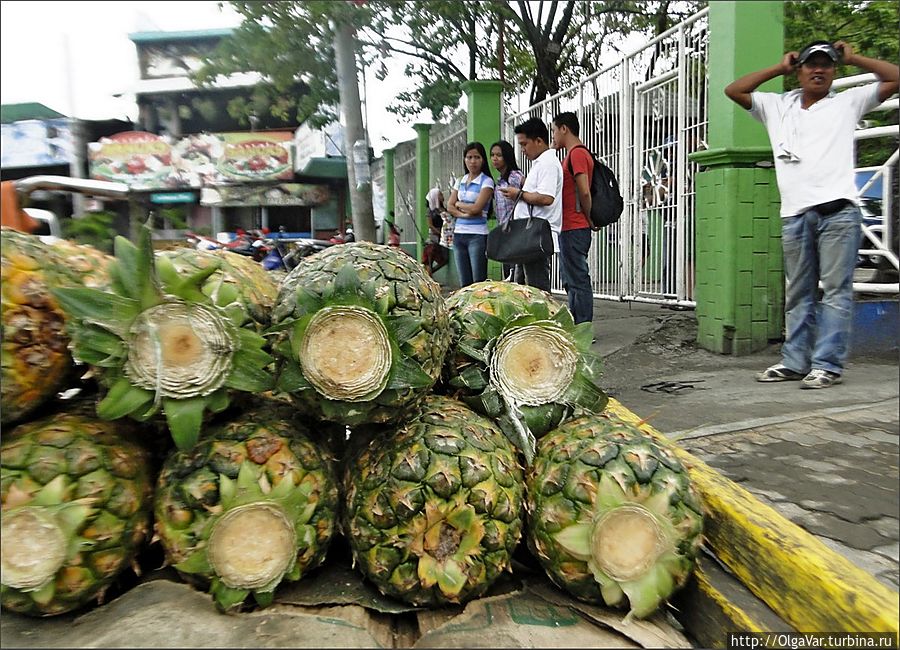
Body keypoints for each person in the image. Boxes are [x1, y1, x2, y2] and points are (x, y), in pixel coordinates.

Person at [725, 40, 898, 389]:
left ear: (835, 71)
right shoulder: (777, 106)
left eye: (827, 65)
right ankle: (794, 361)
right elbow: (734, 90)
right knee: (799, 292)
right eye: (810, 64)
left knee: (835, 291)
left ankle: (827, 365)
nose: (818, 70)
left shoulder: (848, 102)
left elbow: (895, 78)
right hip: (796, 214)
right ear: (799, 68)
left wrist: (854, 58)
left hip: (839, 214)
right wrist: (778, 68)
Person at [497, 117, 562, 292]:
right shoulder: (540, 163)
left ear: (539, 141)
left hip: (536, 235)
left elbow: (546, 197)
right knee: (523, 288)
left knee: (537, 289)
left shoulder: (547, 164)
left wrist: (518, 194)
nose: (523, 150)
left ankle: (542, 318)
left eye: (524, 144)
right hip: (529, 235)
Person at [551, 112, 594, 324]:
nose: (553, 137)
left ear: (564, 129)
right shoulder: (571, 155)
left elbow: (584, 191)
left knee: (578, 279)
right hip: (570, 226)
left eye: (554, 131)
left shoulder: (576, 154)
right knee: (571, 279)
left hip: (574, 226)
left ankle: (583, 325)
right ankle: (578, 323)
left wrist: (589, 217)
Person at [446, 142, 494, 287]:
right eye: (469, 157)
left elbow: (476, 208)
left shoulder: (487, 181)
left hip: (477, 236)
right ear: (464, 159)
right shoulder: (460, 180)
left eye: (477, 157)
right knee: (464, 284)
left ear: (483, 160)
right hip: (459, 235)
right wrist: (464, 214)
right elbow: (449, 205)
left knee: (478, 282)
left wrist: (459, 205)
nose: (473, 161)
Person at [489, 140, 527, 283]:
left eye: (499, 155)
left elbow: (528, 189)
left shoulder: (514, 176)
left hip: (515, 230)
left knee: (515, 275)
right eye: (492, 155)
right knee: (508, 272)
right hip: (504, 231)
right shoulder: (499, 180)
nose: (495, 158)